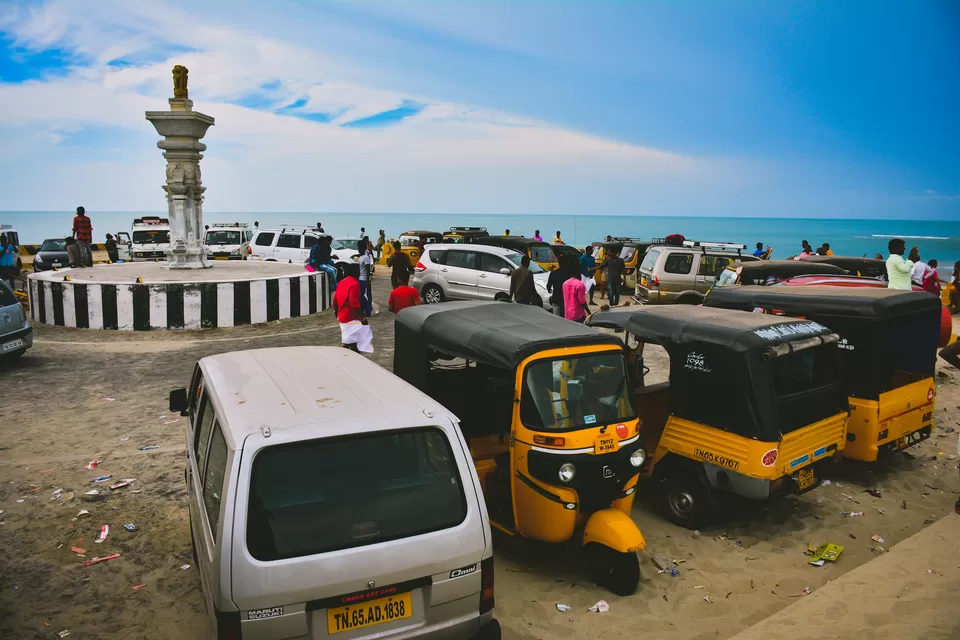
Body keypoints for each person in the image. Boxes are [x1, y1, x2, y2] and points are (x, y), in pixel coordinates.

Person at [332, 263, 371, 352]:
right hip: (351, 317)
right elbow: (354, 303)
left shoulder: (342, 282)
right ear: (356, 272)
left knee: (353, 342)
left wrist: (336, 312)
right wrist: (362, 318)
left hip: (342, 316)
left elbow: (335, 299)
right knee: (347, 343)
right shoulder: (355, 284)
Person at [356, 240, 374, 317]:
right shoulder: (361, 257)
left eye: (360, 247)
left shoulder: (366, 258)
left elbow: (368, 269)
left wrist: (367, 281)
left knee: (365, 296)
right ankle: (364, 310)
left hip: (364, 279)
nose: (359, 249)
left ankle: (368, 311)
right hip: (361, 279)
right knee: (362, 296)